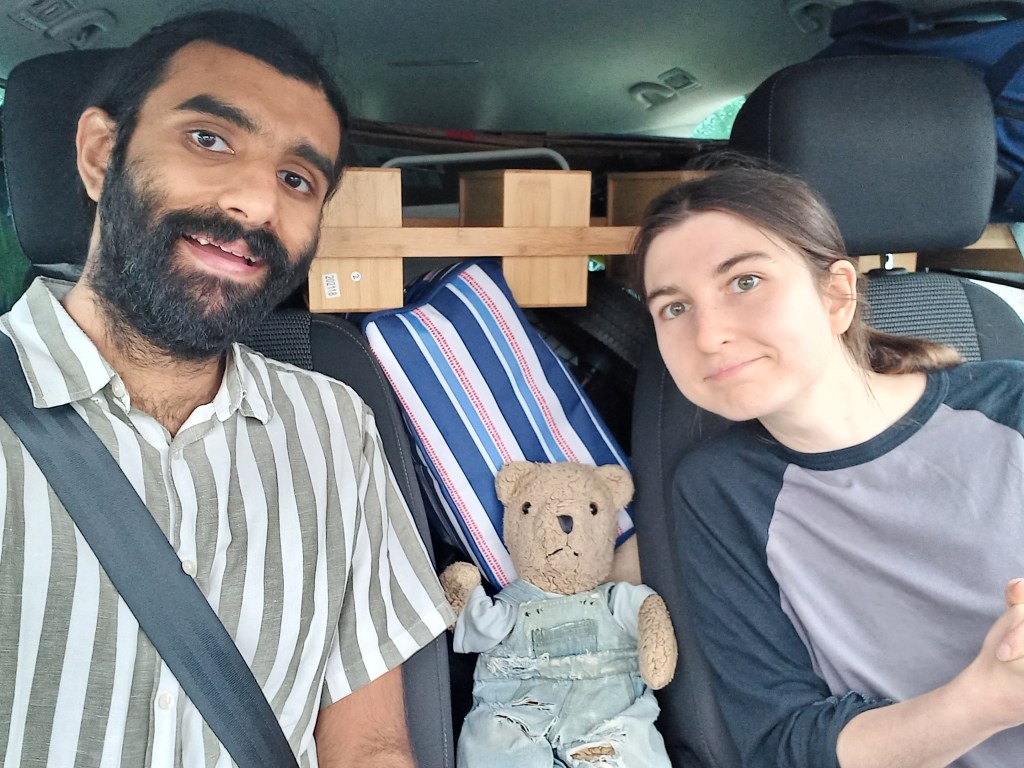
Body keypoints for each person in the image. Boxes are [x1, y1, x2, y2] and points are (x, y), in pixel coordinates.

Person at [0, 10, 454, 767]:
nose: (258, 204)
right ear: (101, 154)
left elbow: (369, 745)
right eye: (209, 139)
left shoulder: (336, 427)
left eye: (297, 179)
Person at [633, 162, 1024, 768]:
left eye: (744, 282)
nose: (708, 336)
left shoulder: (1012, 405)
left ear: (837, 294)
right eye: (675, 308)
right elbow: (781, 744)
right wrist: (983, 702)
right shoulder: (718, 491)